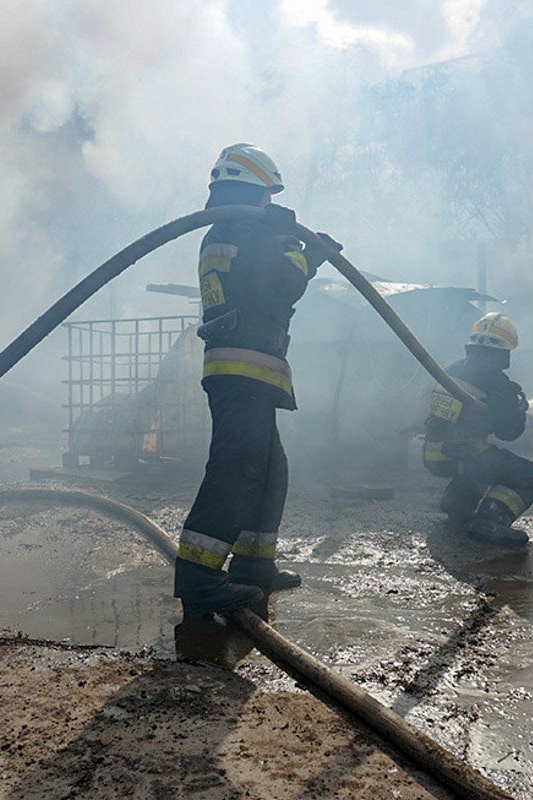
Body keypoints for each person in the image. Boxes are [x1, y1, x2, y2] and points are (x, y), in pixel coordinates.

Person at [174, 143, 341, 617]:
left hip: (249, 368)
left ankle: (253, 569)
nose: (273, 204)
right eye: (268, 195)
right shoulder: (249, 230)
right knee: (236, 470)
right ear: (257, 192)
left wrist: (287, 241)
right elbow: (284, 284)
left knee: (268, 472)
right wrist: (302, 248)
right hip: (242, 366)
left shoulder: (229, 230)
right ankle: (200, 579)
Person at [422, 312, 533, 547]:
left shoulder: (451, 370)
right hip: (465, 455)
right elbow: (509, 433)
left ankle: (457, 505)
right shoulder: (500, 385)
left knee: (485, 460)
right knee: (531, 475)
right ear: (504, 351)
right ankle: (491, 520)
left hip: (433, 453)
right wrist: (518, 411)